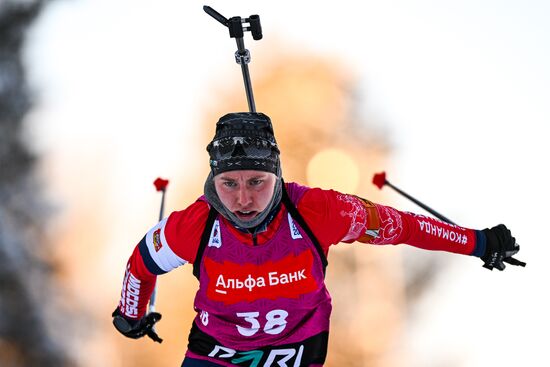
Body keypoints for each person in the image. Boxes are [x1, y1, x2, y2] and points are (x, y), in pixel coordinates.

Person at [112, 112, 522, 367]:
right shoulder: (193, 225)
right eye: (228, 183)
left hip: (297, 355)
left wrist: (477, 242)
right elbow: (141, 263)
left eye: (257, 181)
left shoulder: (320, 211)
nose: (242, 199)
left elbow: (402, 225)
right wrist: (130, 316)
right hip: (216, 356)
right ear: (212, 183)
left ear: (278, 176)